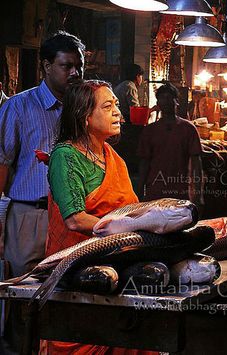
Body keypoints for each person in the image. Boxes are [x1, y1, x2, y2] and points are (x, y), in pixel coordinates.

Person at [44, 79, 156, 354]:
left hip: (119, 266)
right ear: (85, 117)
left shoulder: (113, 157)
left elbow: (131, 209)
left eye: (116, 105)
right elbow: (75, 219)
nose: (119, 112)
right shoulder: (65, 156)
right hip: (77, 272)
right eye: (108, 107)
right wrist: (129, 235)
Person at [0, 31, 85, 278]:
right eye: (66, 66)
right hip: (29, 214)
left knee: (67, 285)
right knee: (22, 284)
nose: (74, 73)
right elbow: (2, 162)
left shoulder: (82, 109)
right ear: (47, 66)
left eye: (79, 66)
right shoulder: (18, 106)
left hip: (72, 216)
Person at [137, 83, 204, 206]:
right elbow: (144, 164)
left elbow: (196, 164)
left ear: (176, 101)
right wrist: (139, 192)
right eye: (162, 98)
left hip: (180, 192)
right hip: (155, 192)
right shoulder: (149, 131)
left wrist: (198, 194)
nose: (166, 101)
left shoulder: (188, 129)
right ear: (158, 103)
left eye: (169, 98)